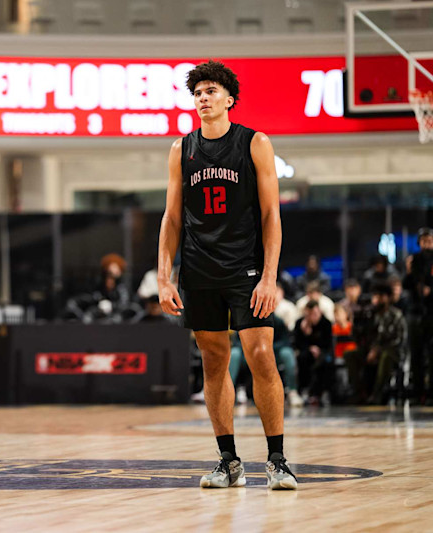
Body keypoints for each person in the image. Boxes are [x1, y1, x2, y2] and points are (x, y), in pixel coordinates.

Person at [157, 60, 296, 490]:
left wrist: (269, 276)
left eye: (211, 90)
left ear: (230, 99)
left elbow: (272, 214)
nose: (203, 98)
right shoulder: (182, 149)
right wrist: (164, 277)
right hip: (199, 269)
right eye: (197, 92)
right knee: (214, 362)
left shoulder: (254, 143)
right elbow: (172, 217)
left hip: (246, 268)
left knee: (260, 356)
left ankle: (277, 459)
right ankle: (228, 460)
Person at [402, 227, 433, 403]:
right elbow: (406, 286)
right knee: (416, 354)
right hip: (416, 313)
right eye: (423, 241)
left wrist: (432, 291)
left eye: (429, 240)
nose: (426, 243)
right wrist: (408, 272)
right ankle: (418, 393)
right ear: (419, 243)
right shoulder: (414, 260)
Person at [293, 300, 333, 405]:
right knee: (303, 358)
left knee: (325, 362)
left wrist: (318, 348)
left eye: (315, 314)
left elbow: (328, 342)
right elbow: (297, 343)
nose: (312, 317)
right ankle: (305, 390)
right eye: (309, 314)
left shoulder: (326, 323)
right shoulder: (300, 323)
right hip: (307, 352)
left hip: (323, 351)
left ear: (319, 311)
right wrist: (306, 334)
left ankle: (322, 392)